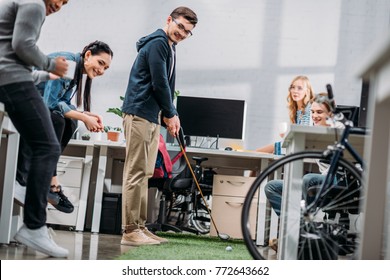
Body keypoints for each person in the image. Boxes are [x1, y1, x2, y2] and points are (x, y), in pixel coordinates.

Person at [120, 6, 198, 246]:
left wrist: (165, 113)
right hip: (139, 113)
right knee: (135, 172)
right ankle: (130, 230)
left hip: (151, 116)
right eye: (180, 27)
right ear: (169, 20)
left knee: (144, 173)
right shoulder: (158, 44)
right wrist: (171, 112)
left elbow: (164, 83)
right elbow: (160, 82)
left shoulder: (169, 46)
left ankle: (140, 227)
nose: (182, 33)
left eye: (187, 32)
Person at [0, 0, 70, 257]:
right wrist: (51, 65)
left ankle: (28, 198)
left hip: (10, 80)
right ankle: (34, 225)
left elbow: (11, 53)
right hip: (13, 81)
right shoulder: (34, 3)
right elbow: (23, 45)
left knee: (40, 143)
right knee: (48, 146)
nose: (59, 5)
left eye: (65, 3)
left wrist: (44, 75)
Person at [15, 40, 113, 213]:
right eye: (101, 63)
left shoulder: (75, 71)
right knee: (58, 121)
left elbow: (63, 102)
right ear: (88, 55)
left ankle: (47, 180)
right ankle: (50, 182)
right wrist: (83, 117)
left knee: (69, 122)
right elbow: (51, 104)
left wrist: (86, 115)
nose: (102, 70)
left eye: (106, 68)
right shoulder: (67, 63)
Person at [264, 93, 343, 251]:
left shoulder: (340, 130)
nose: (314, 116)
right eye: (312, 112)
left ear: (331, 113)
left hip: (337, 181)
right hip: (320, 181)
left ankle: (297, 235)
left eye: (319, 112)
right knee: (272, 186)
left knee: (309, 179)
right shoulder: (313, 131)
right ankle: (298, 231)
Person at [256, 75, 315, 153]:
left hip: (303, 149)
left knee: (260, 152)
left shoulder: (309, 108)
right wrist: (287, 135)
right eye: (293, 87)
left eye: (299, 88)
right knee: (261, 152)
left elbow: (304, 135)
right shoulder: (297, 110)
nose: (295, 91)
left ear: (307, 91)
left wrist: (287, 136)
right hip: (295, 146)